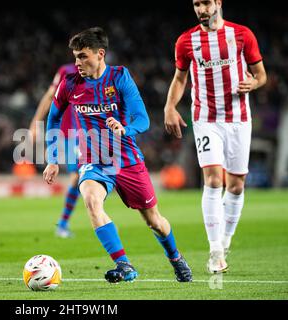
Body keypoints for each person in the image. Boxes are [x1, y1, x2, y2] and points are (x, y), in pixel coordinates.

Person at [43, 27, 192, 283]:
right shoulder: (69, 84)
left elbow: (142, 119)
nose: (77, 62)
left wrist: (126, 129)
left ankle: (176, 257)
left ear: (100, 54)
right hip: (94, 160)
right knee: (91, 199)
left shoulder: (120, 77)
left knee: (154, 221)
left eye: (83, 56)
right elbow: (53, 118)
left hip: (127, 160)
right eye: (76, 57)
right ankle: (124, 265)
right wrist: (53, 158)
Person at [164, 0, 267, 274]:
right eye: (197, 4)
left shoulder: (242, 35)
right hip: (206, 119)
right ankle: (215, 251)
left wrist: (253, 83)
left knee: (235, 186)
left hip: (239, 119)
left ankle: (225, 241)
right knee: (212, 179)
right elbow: (180, 78)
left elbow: (261, 75)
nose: (201, 9)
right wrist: (170, 106)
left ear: (218, 3)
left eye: (206, 3)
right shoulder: (186, 41)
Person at [29, 63, 79, 238]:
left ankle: (101, 220)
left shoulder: (103, 74)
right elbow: (50, 96)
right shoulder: (67, 71)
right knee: (77, 177)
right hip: (71, 132)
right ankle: (63, 224)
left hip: (93, 133)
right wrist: (35, 123)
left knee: (94, 176)